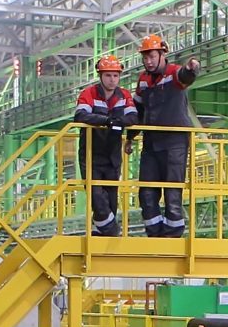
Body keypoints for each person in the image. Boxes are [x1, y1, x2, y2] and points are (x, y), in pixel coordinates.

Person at [132, 34, 198, 237]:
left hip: (174, 141)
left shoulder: (173, 73)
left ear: (163, 54)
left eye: (152, 56)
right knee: (147, 191)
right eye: (145, 58)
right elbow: (138, 110)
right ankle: (154, 233)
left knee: (172, 190)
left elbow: (184, 77)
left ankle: (173, 233)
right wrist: (130, 137)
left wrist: (191, 69)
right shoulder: (143, 80)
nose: (149, 61)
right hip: (151, 141)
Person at [72, 54, 137, 236]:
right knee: (97, 198)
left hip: (113, 155)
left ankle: (100, 235)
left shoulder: (124, 95)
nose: (112, 80)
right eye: (108, 75)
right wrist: (107, 120)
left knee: (111, 200)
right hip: (91, 154)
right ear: (100, 76)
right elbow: (80, 116)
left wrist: (119, 121)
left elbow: (133, 117)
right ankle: (112, 231)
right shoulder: (89, 93)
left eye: (115, 75)